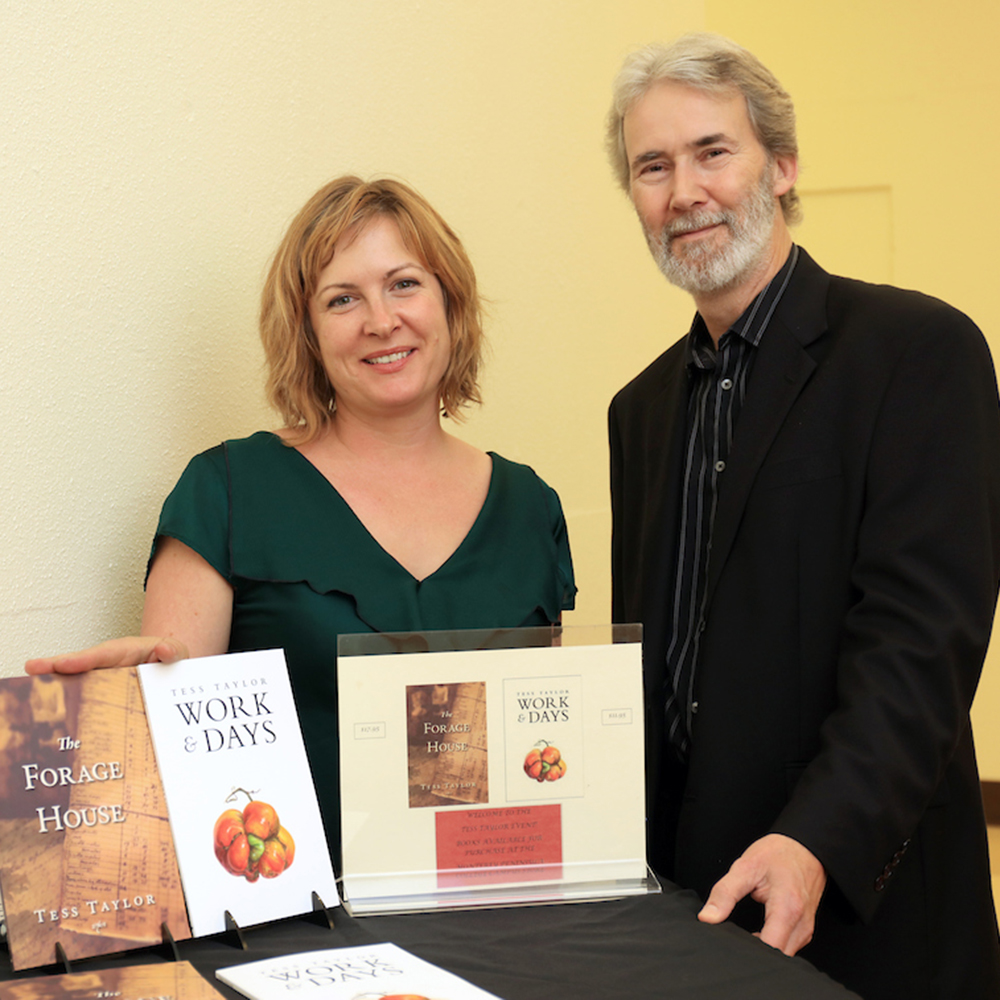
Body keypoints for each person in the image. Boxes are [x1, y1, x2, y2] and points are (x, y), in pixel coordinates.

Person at [605, 32, 1000, 1000]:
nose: (684, 191)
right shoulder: (639, 410)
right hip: (691, 906)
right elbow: (651, 667)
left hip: (868, 901)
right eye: (651, 167)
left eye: (712, 151)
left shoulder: (918, 351)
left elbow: (920, 641)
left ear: (780, 166)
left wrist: (815, 838)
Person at [26, 175, 576, 863]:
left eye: (404, 283)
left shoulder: (531, 508)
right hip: (286, 930)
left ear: (451, 303)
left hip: (500, 913)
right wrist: (128, 717)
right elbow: (181, 740)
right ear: (309, 334)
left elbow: (543, 754)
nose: (380, 320)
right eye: (342, 299)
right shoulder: (226, 490)